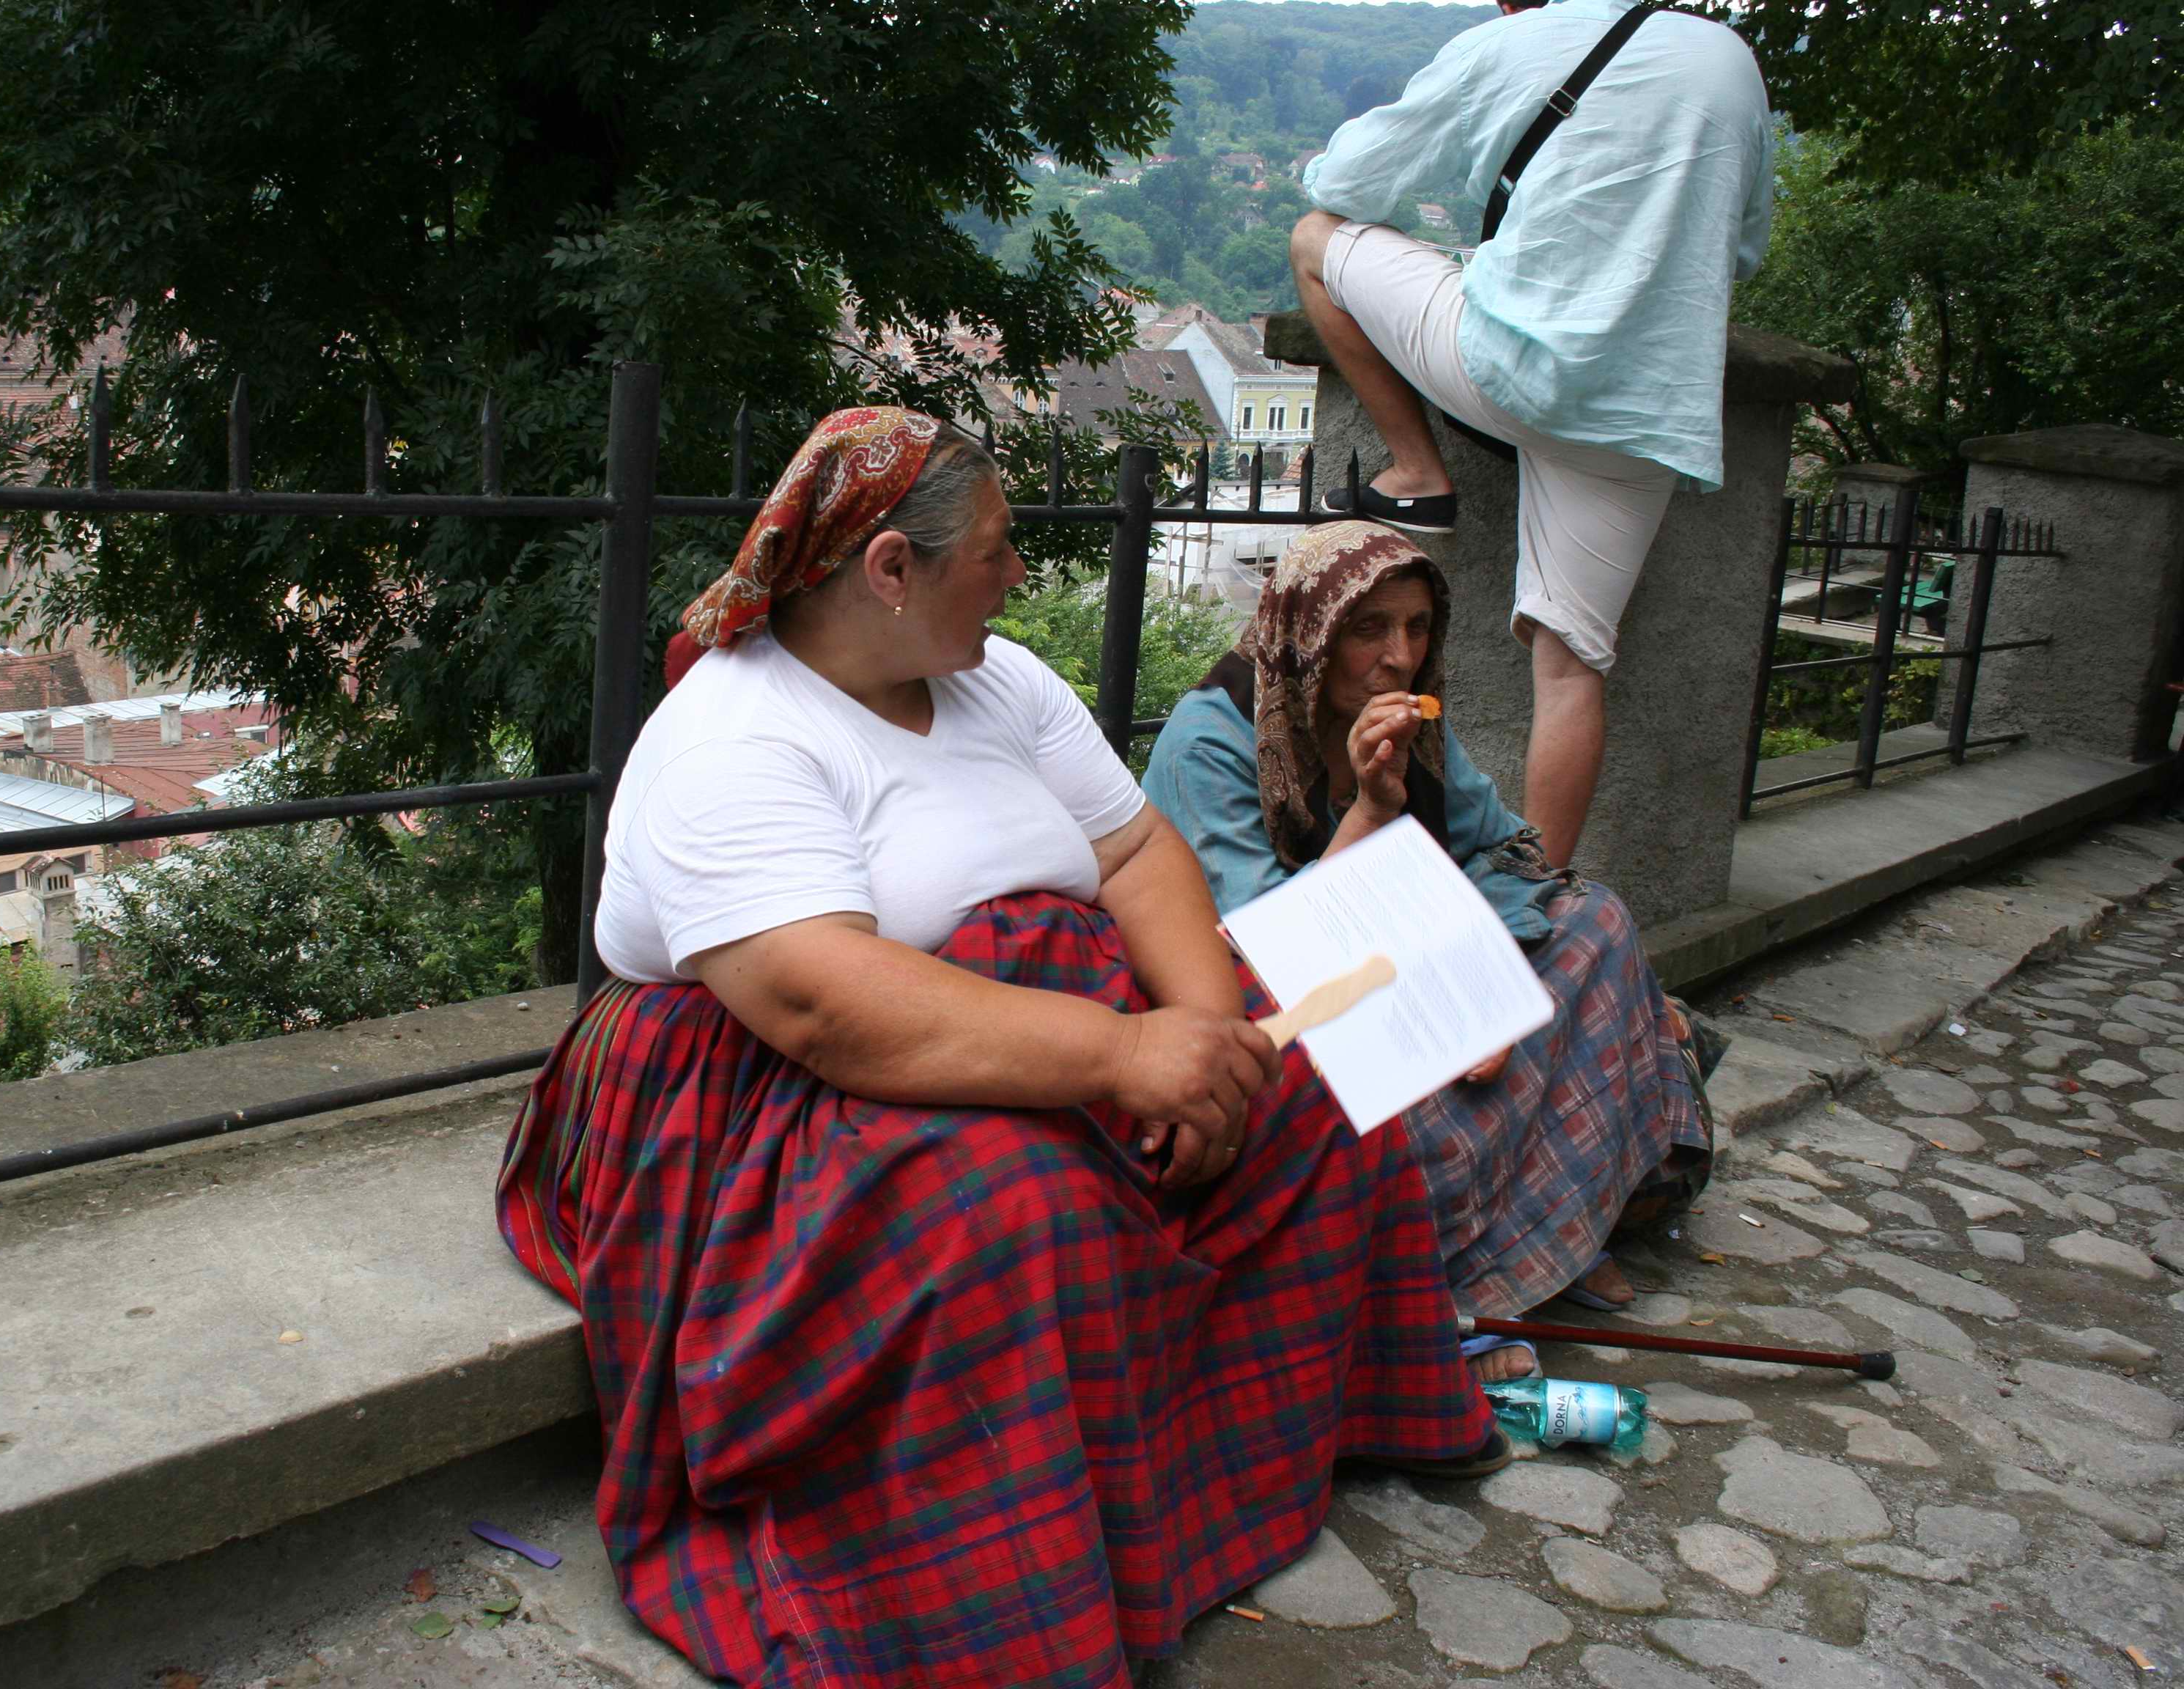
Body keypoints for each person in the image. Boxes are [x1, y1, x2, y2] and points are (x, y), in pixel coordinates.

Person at [498, 410, 1501, 1688]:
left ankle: (1238, 1471)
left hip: (1036, 1014)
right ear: (890, 569)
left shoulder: (1000, 679)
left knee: (1307, 1076)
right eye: (994, 549)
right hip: (777, 1097)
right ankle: (1019, 1593)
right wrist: (1125, 1057)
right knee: (1016, 1206)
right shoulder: (732, 738)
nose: (1020, 573)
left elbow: (1134, 852)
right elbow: (821, 1007)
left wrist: (1204, 1034)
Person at [1140, 520, 1716, 1382]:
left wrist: (1478, 977)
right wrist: (1372, 812)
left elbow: (1505, 846)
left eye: (1417, 627)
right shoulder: (1212, 741)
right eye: (1369, 629)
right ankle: (1451, 1284)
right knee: (1412, 1083)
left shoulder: (1411, 719)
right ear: (1310, 629)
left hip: (1396, 957)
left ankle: (1558, 1229)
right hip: (1270, 1007)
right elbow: (1265, 946)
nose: (1400, 657)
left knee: (1594, 922)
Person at [1288, 0, 1777, 868]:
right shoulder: (1730, 59)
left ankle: (1418, 472)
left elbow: (1350, 186)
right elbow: (1740, 249)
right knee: (1571, 667)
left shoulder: (1511, 40)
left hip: (1511, 369)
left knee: (1314, 241)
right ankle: (1542, 894)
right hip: (1646, 408)